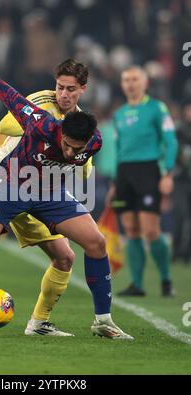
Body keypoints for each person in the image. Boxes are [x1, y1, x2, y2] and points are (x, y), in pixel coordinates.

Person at [0, 54, 133, 340]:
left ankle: (102, 321)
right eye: (66, 145)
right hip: (12, 187)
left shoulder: (94, 141)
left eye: (75, 149)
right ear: (60, 132)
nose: (70, 153)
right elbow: (4, 90)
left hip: (50, 193)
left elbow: (81, 164)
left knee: (95, 243)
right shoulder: (40, 122)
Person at [106, 66, 178, 297]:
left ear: (145, 83)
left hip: (148, 171)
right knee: (131, 229)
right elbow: (118, 150)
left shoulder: (156, 108)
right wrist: (116, 182)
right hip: (125, 175)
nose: (130, 83)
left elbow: (171, 142)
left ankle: (166, 280)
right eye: (126, 79)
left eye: (135, 79)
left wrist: (167, 173)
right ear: (122, 84)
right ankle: (137, 284)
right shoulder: (119, 114)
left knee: (151, 230)